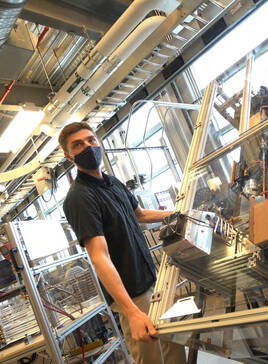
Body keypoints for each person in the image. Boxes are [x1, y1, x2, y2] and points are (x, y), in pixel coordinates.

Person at [59, 122, 186, 364]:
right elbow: (99, 257)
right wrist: (131, 312)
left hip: (152, 278)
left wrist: (179, 213)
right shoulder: (79, 197)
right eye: (78, 144)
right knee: (151, 358)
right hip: (132, 294)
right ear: (68, 155)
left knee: (174, 346)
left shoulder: (113, 182)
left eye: (91, 140)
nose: (88, 146)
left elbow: (140, 214)